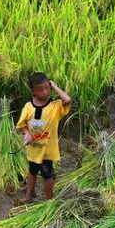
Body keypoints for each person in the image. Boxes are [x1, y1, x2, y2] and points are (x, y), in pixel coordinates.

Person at [16, 73, 72, 203]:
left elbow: (67, 100)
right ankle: (29, 196)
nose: (45, 92)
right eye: (40, 89)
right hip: (33, 148)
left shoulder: (55, 106)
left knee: (47, 174)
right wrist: (27, 133)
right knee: (32, 172)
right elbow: (22, 124)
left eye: (47, 88)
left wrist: (55, 86)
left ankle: (48, 201)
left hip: (47, 150)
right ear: (33, 91)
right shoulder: (28, 107)